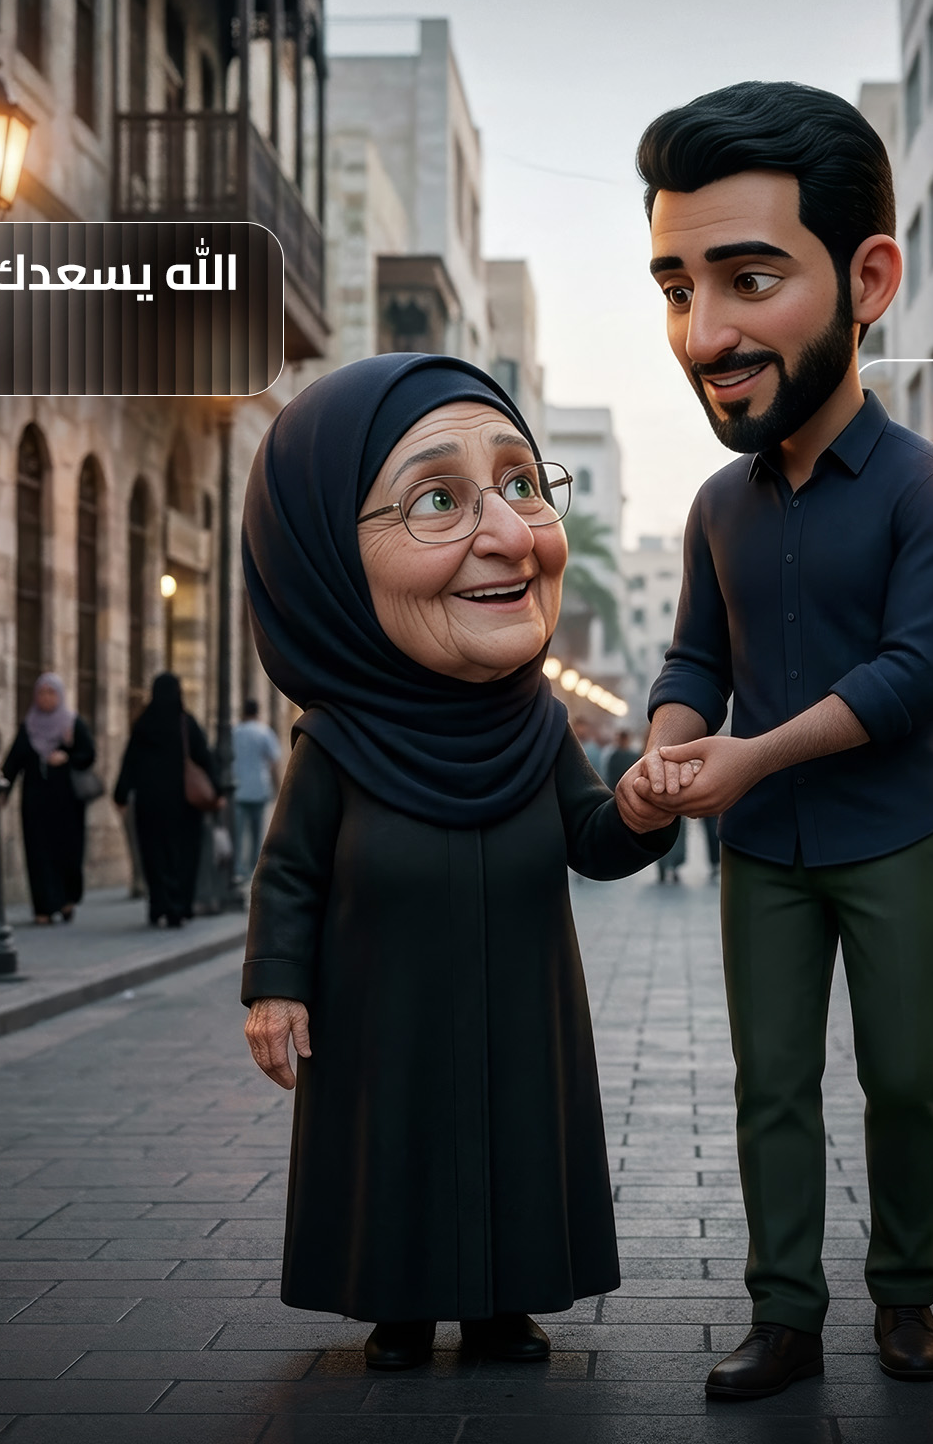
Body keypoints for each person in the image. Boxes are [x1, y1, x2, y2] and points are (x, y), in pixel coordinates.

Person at [616, 81, 933, 1399]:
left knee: (903, 1078)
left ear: (867, 276)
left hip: (892, 835)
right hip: (762, 851)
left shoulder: (931, 489)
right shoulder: (718, 500)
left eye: (748, 278)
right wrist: (666, 751)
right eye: (675, 286)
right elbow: (695, 660)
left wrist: (748, 756)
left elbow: (907, 679)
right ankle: (784, 1314)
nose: (703, 331)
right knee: (769, 1082)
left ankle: (907, 1299)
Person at [239, 354, 675, 1374]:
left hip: (522, 1005)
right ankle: (400, 1307)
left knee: (517, 1140)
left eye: (523, 483)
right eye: (437, 497)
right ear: (325, 561)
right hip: (381, 1007)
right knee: (395, 1144)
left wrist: (644, 808)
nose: (515, 533)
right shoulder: (337, 741)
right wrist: (275, 989)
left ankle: (503, 1308)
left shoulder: (538, 724)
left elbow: (593, 839)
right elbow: (290, 873)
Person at [113, 673, 216, 928]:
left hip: (150, 805)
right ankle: (178, 907)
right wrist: (218, 792)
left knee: (153, 855)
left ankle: (158, 904)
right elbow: (204, 758)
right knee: (183, 855)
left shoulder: (143, 724)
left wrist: (121, 794)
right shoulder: (186, 724)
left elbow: (129, 761)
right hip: (183, 806)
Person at [0, 672, 96, 926]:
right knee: (38, 853)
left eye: (51, 692)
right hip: (36, 802)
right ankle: (42, 906)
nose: (45, 698)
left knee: (67, 852)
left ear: (60, 695)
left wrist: (68, 755)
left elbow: (88, 755)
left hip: (67, 803)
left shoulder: (72, 724)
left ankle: (65, 900)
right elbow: (14, 761)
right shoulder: (29, 726)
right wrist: (3, 791)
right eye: (41, 692)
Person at [230, 698, 285, 882]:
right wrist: (279, 788)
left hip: (238, 789)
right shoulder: (264, 732)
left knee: (239, 833)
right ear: (257, 712)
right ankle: (255, 868)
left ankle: (239, 869)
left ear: (243, 713)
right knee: (257, 833)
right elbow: (274, 762)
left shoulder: (235, 732)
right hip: (259, 788)